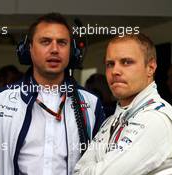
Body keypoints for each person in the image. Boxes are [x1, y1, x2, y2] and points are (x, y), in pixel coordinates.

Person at [0, 13, 105, 175]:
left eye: (62, 43)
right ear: (28, 49)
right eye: (45, 42)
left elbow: (102, 161)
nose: (55, 49)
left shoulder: (91, 103)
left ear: (72, 51)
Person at [74, 33, 172, 175]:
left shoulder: (156, 119)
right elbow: (78, 171)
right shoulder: (111, 121)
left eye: (126, 62)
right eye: (110, 64)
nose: (115, 71)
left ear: (150, 67)